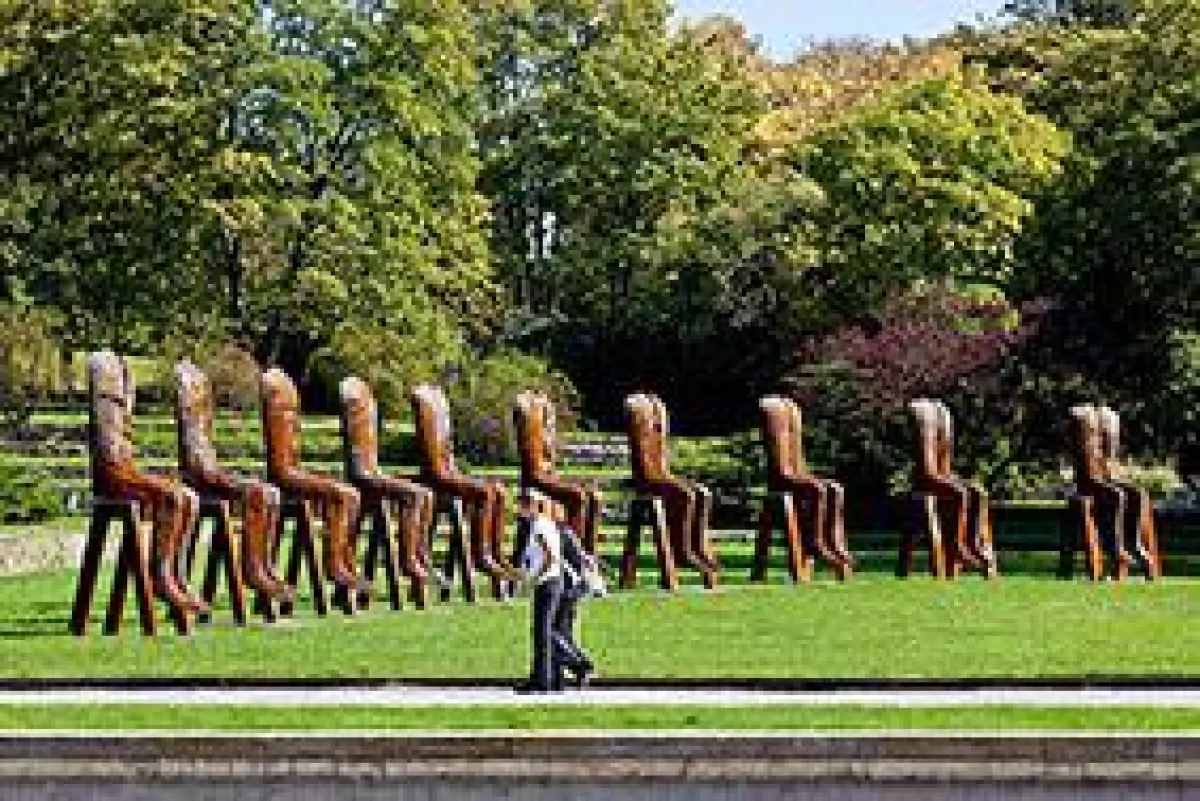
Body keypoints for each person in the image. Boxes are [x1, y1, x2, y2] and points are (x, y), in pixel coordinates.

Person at [515, 506, 597, 694]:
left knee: (548, 632)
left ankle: (578, 664)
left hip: (565, 589)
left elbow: (563, 560)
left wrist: (534, 578)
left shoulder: (552, 530)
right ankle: (554, 677)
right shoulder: (556, 530)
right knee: (552, 632)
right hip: (564, 587)